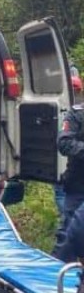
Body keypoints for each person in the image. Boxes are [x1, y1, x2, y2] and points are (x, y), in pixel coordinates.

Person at [52, 101, 84, 261]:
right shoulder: (78, 113)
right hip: (79, 185)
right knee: (68, 235)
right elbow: (64, 143)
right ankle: (55, 279)